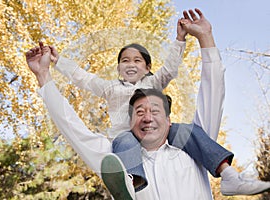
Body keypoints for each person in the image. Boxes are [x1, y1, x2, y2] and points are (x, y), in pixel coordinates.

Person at [26, 8, 270, 199]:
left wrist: (196, 38)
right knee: (122, 141)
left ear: (168, 118)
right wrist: (48, 72)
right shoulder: (114, 157)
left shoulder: (192, 145)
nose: (147, 116)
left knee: (192, 131)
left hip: (184, 136)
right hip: (123, 149)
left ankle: (228, 173)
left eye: (155, 110)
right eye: (138, 111)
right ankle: (132, 184)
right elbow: (75, 109)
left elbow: (207, 87)